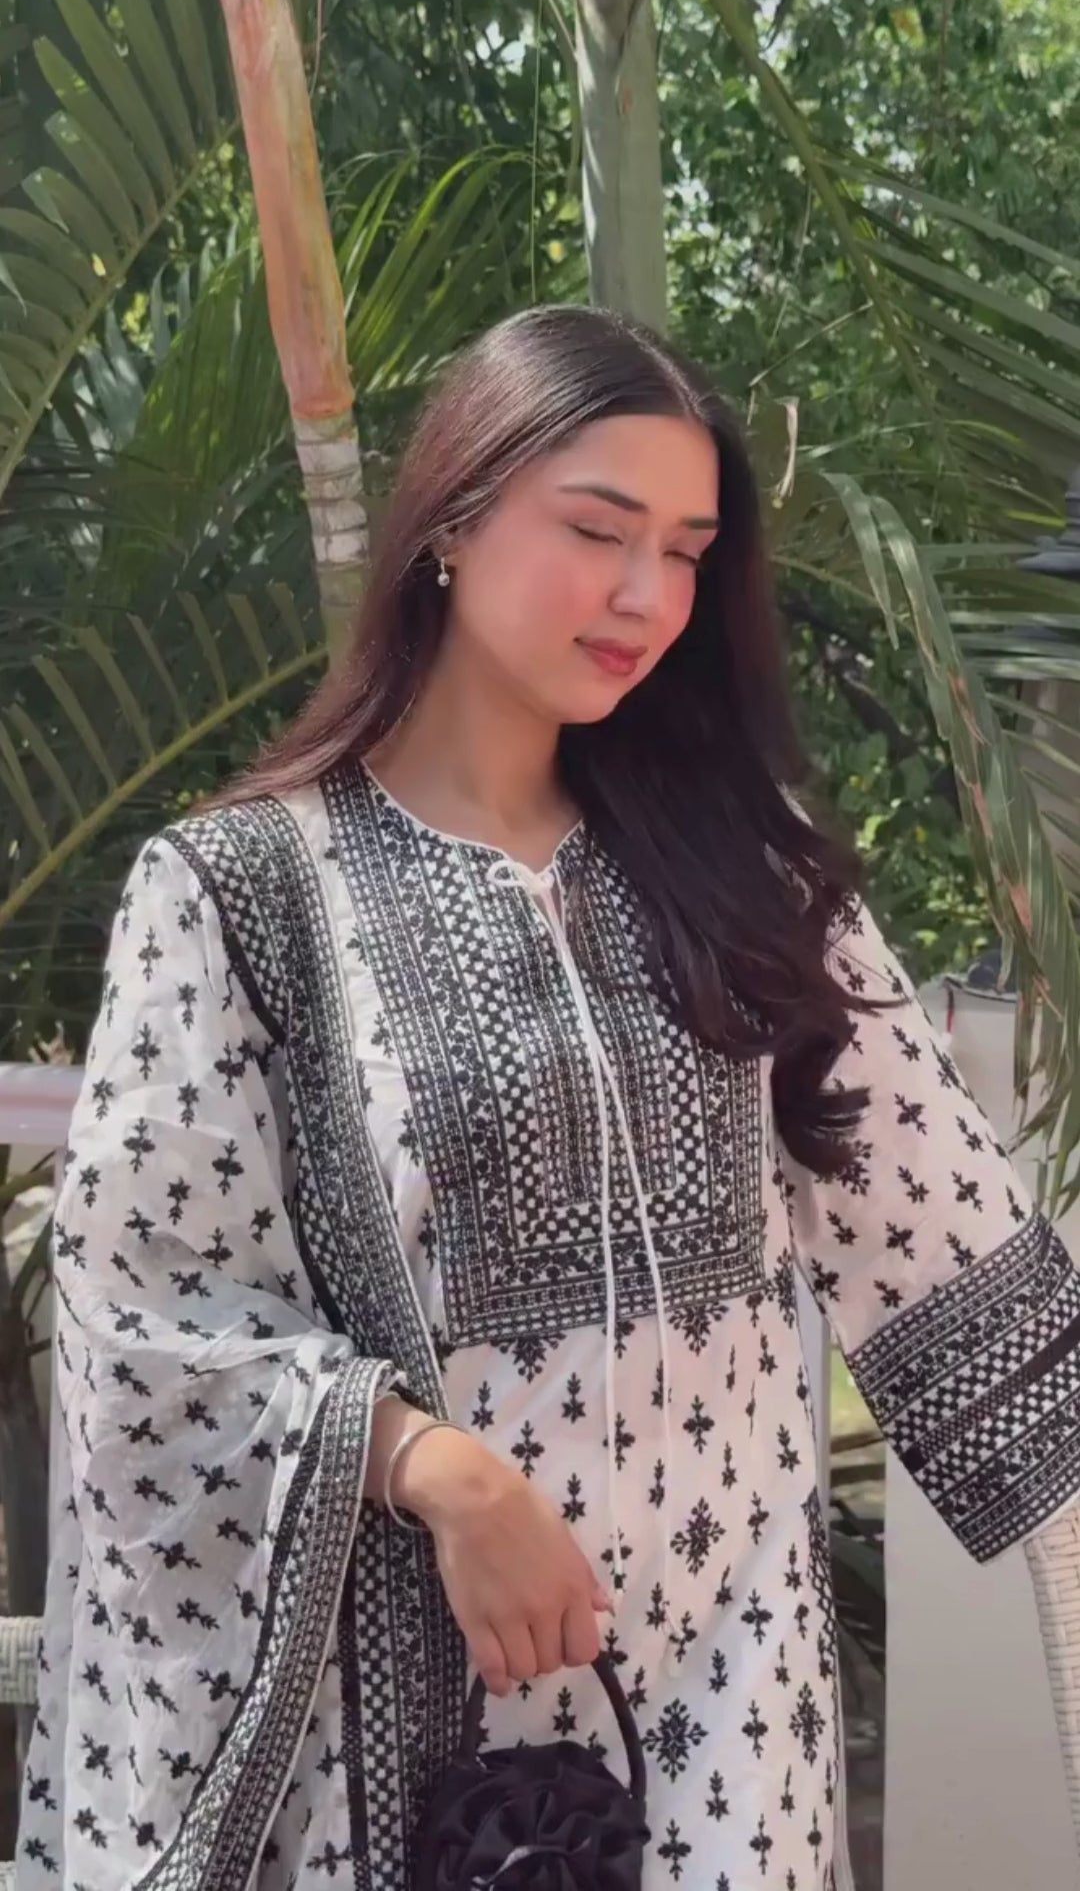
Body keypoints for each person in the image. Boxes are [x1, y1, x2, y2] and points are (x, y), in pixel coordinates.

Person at [18, 304, 1080, 1891]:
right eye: (598, 531)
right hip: (389, 1725)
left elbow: (961, 1261)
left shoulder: (750, 876)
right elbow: (141, 1310)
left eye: (688, 552)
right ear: (451, 521)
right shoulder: (241, 896)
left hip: (732, 1706)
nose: (648, 595)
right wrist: (431, 1467)